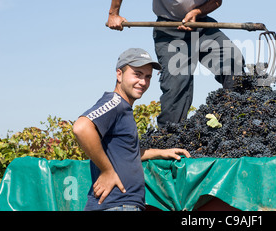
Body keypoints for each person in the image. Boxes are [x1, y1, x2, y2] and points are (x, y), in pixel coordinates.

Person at [106, 0, 245, 127]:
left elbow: (216, 0)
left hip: (201, 24)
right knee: (178, 85)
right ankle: (169, 140)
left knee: (234, 63)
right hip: (169, 30)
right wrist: (114, 14)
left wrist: (197, 12)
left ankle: (237, 122)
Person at [73, 48, 190, 211]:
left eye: (147, 76)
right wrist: (107, 171)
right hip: (116, 205)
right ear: (119, 74)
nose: (143, 82)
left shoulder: (124, 109)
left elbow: (127, 153)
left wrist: (161, 152)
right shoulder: (115, 103)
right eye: (137, 74)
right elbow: (81, 127)